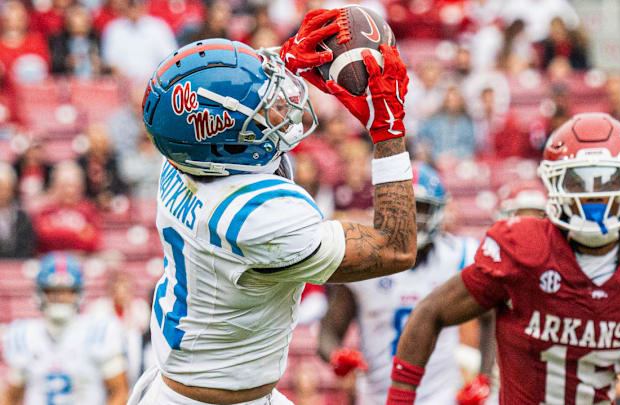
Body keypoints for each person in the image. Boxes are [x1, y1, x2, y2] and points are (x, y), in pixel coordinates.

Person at [129, 8, 415, 405]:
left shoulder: (181, 157)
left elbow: (206, 109)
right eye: (263, 110)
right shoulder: (256, 217)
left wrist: (280, 60)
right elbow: (396, 247)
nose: (279, 107)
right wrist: (389, 133)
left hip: (190, 383)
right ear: (226, 143)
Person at [386, 112, 620, 405]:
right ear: (556, 184)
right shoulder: (523, 247)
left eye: (608, 181)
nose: (594, 196)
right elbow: (430, 312)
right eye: (578, 182)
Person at [318, 162, 478, 405]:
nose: (410, 220)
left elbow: (490, 317)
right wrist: (337, 356)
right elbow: (329, 331)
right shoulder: (364, 262)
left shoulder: (457, 257)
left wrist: (484, 376)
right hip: (377, 396)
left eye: (419, 209)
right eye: (401, 210)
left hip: (440, 396)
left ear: (437, 211)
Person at [1, 252, 129, 405]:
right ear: (40, 293)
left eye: (66, 292)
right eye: (53, 292)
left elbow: (119, 392)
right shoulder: (24, 334)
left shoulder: (99, 330)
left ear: (78, 293)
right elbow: (11, 397)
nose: (60, 297)